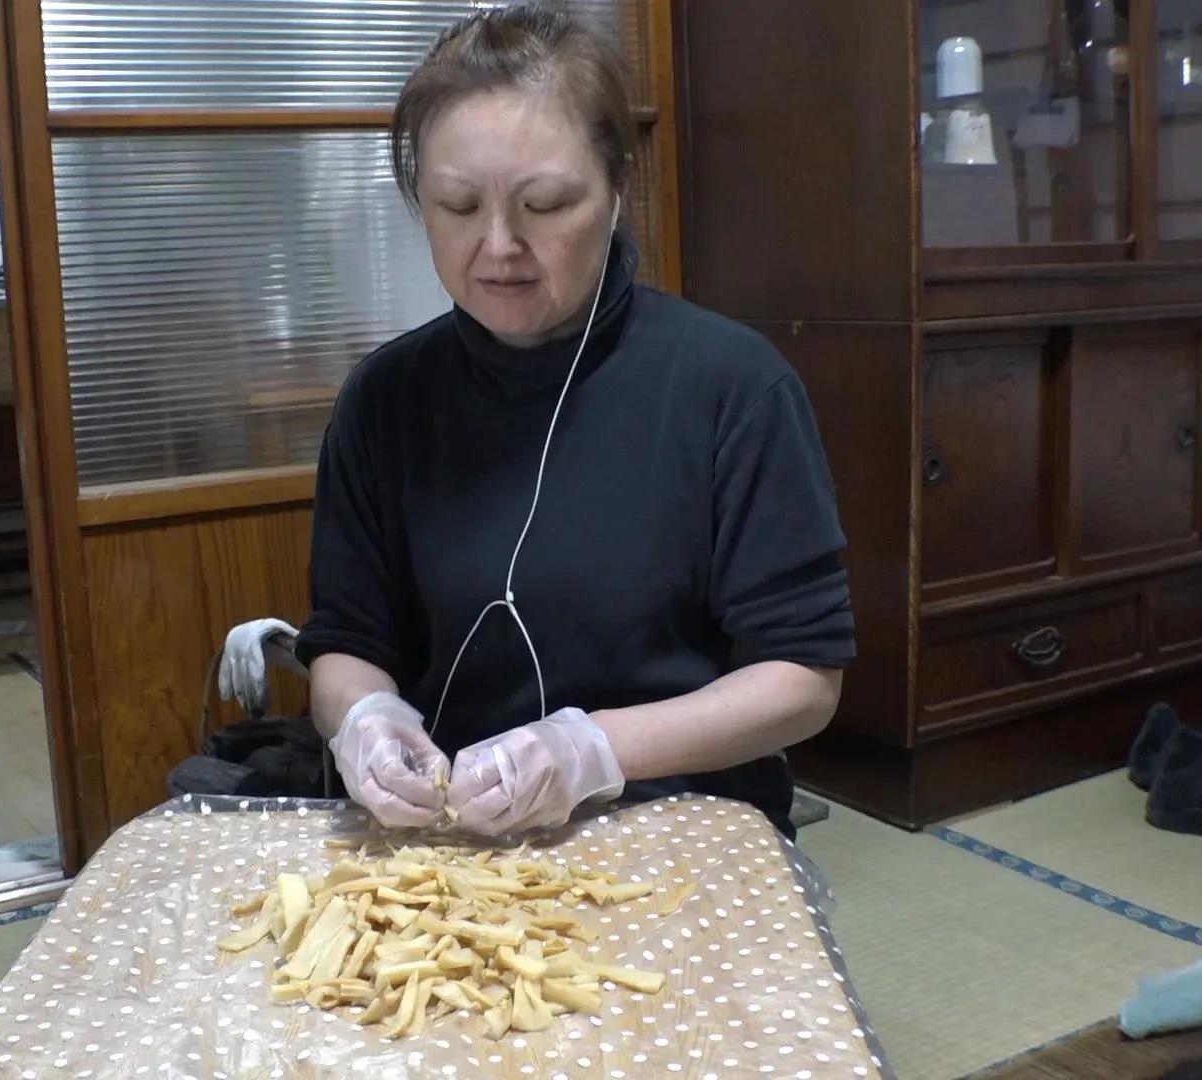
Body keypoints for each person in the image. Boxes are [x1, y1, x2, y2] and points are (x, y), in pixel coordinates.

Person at [296, 6, 855, 840]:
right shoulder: (385, 398)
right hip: (454, 839)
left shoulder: (732, 385)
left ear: (616, 187)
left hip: (681, 828)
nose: (498, 246)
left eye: (546, 204)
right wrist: (365, 717)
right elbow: (346, 640)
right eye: (456, 205)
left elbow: (803, 678)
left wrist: (593, 747)